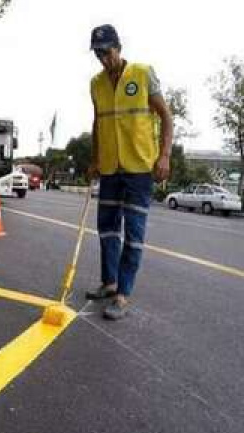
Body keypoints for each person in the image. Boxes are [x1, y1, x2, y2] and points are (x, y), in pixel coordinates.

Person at [85, 24, 172, 320]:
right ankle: (109, 283)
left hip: (139, 168)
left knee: (133, 235)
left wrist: (164, 156)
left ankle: (122, 295)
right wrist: (95, 159)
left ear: (119, 48)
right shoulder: (95, 83)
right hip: (110, 167)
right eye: (97, 53)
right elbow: (97, 124)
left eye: (106, 51)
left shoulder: (143, 73)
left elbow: (166, 117)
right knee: (107, 229)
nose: (102, 58)